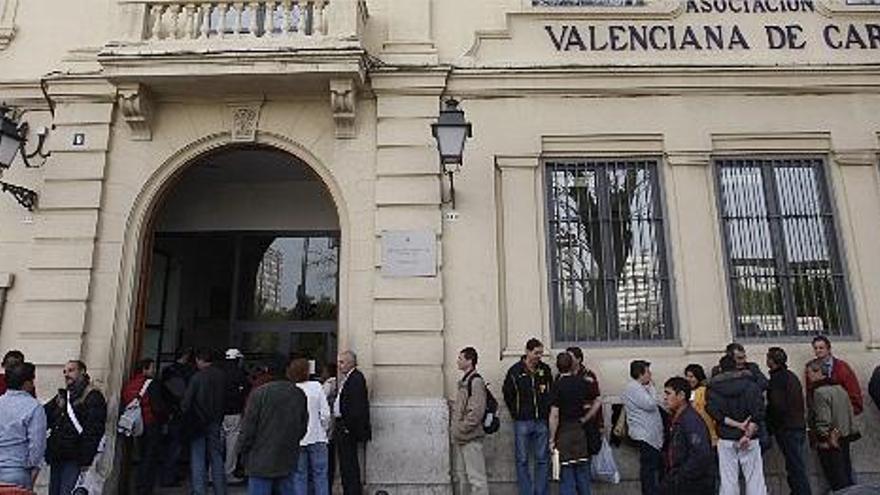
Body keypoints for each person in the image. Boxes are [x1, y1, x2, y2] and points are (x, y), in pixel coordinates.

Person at [237, 355, 308, 495]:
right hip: (287, 457)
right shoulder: (298, 393)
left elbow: (248, 429)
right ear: (287, 370)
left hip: (260, 460)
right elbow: (302, 426)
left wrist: (241, 451)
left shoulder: (259, 394)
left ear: (267, 370)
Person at [44, 360, 108, 495]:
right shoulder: (63, 396)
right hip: (58, 455)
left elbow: (94, 430)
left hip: (75, 457)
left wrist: (86, 459)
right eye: (65, 371)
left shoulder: (93, 396)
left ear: (83, 372)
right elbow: (45, 416)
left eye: (71, 370)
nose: (67, 374)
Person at [706, 355, 767, 495]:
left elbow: (714, 412)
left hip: (726, 438)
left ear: (720, 369)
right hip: (750, 438)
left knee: (728, 480)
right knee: (755, 479)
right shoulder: (751, 385)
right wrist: (746, 432)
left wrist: (737, 425)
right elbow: (758, 411)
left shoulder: (713, 389)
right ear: (737, 367)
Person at [502, 338, 553, 495]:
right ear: (527, 352)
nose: (539, 356)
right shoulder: (515, 371)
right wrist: (515, 413)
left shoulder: (545, 370)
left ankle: (541, 492)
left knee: (543, 460)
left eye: (541, 353)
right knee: (522, 460)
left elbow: (550, 393)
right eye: (536, 353)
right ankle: (526, 492)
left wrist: (546, 410)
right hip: (522, 421)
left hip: (542, 421)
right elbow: (507, 394)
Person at [806, 357, 858, 492]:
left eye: (809, 373)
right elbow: (849, 413)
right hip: (844, 436)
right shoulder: (840, 388)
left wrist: (822, 438)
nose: (808, 376)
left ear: (818, 372)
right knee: (846, 474)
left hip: (830, 441)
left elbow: (824, 419)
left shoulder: (819, 392)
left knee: (836, 477)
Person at [548, 352, 595, 495]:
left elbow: (554, 415)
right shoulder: (582, 382)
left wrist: (551, 439)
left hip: (564, 432)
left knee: (567, 474)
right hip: (580, 430)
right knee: (583, 475)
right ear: (572, 365)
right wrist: (585, 418)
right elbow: (596, 400)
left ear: (558, 366)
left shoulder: (557, 386)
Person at [765, 347, 810, 495]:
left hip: (787, 428)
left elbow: (778, 406)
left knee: (795, 467)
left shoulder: (777, 379)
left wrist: (771, 424)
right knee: (797, 465)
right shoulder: (791, 376)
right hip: (797, 426)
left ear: (771, 361)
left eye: (768, 358)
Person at [182, 348, 227, 495]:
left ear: (199, 360)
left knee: (198, 457)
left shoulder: (197, 377)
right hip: (216, 420)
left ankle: (199, 491)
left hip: (198, 421)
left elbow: (186, 402)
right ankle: (220, 490)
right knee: (217, 456)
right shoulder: (222, 376)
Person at [659, 377, 714, 495]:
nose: (665, 397)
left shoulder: (691, 420)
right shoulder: (678, 418)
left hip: (692, 485)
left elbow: (701, 455)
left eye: (668, 393)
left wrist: (679, 476)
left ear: (681, 395)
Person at [121, 358, 167, 495]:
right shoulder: (151, 384)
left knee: (140, 456)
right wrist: (165, 419)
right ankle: (144, 489)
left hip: (135, 425)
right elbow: (157, 407)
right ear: (144, 369)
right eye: (152, 368)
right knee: (149, 459)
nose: (154, 370)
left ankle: (133, 486)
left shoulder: (129, 384)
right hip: (150, 423)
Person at [0, 362, 46, 490]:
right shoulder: (34, 407)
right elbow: (37, 446)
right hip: (16, 472)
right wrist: (33, 467)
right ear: (26, 383)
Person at [622, 360, 663, 495]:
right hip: (645, 436)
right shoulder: (634, 388)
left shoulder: (639, 388)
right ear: (640, 374)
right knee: (649, 470)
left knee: (652, 468)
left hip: (650, 435)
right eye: (648, 372)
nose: (650, 374)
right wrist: (651, 387)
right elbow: (650, 404)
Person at [451, 347, 488, 495]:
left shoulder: (476, 381)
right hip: (462, 438)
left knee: (476, 478)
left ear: (469, 361)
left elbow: (476, 412)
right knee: (463, 478)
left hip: (470, 437)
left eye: (461, 358)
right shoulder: (464, 381)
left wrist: (461, 428)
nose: (458, 361)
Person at [292, 357, 331, 495]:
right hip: (317, 436)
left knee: (299, 476)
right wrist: (323, 429)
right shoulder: (316, 386)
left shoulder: (292, 389)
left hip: (297, 439)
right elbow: (326, 414)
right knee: (320, 476)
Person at [335, 350, 371, 495]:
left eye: (342, 362)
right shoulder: (350, 378)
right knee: (346, 463)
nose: (339, 365)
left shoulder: (356, 378)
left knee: (349, 464)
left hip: (347, 428)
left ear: (351, 363)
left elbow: (356, 407)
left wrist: (348, 428)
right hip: (344, 426)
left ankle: (352, 491)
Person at [159, 347, 195, 487]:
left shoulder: (168, 371)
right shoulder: (187, 372)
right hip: (180, 413)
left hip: (169, 412)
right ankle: (168, 477)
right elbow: (184, 394)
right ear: (186, 356)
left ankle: (169, 474)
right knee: (176, 446)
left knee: (171, 445)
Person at [807, 335, 863, 416]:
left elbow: (853, 389)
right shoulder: (811, 367)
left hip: (842, 410)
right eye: (815, 348)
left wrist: (852, 411)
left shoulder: (842, 367)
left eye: (821, 348)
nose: (818, 351)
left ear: (828, 349)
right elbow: (810, 392)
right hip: (822, 412)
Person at [221, 348, 250, 484]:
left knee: (216, 446)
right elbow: (244, 393)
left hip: (218, 413)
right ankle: (228, 473)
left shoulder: (219, 372)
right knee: (232, 446)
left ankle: (211, 473)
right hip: (234, 413)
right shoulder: (240, 374)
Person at [566, 347, 603, 451]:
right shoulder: (563, 375)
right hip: (569, 422)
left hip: (587, 420)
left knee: (590, 450)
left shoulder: (588, 375)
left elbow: (597, 399)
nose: (567, 360)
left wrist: (599, 423)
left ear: (579, 359)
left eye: (570, 357)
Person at [683, 364, 717, 447]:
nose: (688, 379)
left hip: (704, 430)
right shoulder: (686, 392)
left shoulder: (704, 391)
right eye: (687, 376)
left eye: (692, 377)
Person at [321, 362, 339, 491]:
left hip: (327, 427)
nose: (322, 374)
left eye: (324, 371)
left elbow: (321, 399)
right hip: (332, 423)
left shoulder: (328, 384)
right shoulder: (336, 383)